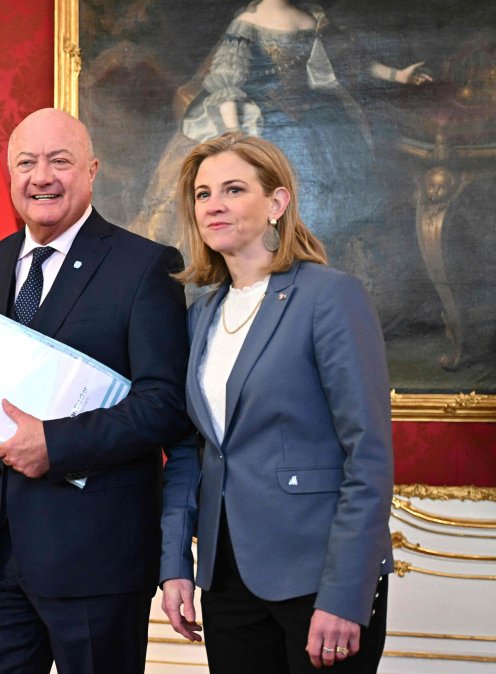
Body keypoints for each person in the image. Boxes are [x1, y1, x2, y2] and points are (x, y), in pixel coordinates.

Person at [0, 108, 190, 673]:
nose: (41, 177)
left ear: (92, 170)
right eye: (26, 163)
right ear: (10, 174)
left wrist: (56, 444)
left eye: (59, 161)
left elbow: (165, 405)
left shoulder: (144, 266)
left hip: (95, 559)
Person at [159, 131, 393, 672]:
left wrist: (345, 594)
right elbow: (191, 451)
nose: (213, 205)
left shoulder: (329, 296)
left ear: (277, 203)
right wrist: (174, 564)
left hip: (318, 578)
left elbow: (368, 456)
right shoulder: (199, 315)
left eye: (234, 189)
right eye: (202, 194)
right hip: (226, 578)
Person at [131, 0, 432, 248]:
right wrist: (235, 136)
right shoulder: (248, 21)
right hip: (262, 119)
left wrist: (398, 75)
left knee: (328, 209)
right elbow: (228, 82)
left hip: (314, 120)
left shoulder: (313, 18)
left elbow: (351, 62)